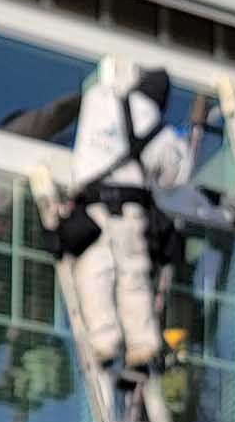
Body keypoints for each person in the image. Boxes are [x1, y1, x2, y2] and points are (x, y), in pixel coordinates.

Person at [66, 60, 198, 374]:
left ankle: (105, 340)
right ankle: (143, 344)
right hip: (130, 210)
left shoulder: (99, 99)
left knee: (95, 272)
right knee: (133, 278)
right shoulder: (156, 127)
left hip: (94, 205)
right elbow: (177, 173)